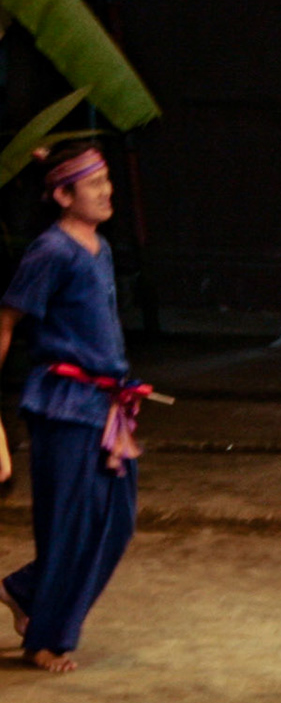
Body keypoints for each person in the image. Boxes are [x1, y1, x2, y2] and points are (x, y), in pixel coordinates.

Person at [0, 143, 150, 673]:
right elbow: (7, 322)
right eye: (94, 184)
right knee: (68, 524)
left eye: (107, 179)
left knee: (115, 521)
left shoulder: (98, 247)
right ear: (63, 195)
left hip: (104, 403)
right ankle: (47, 638)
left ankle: (25, 590)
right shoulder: (50, 251)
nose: (107, 191)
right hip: (62, 404)